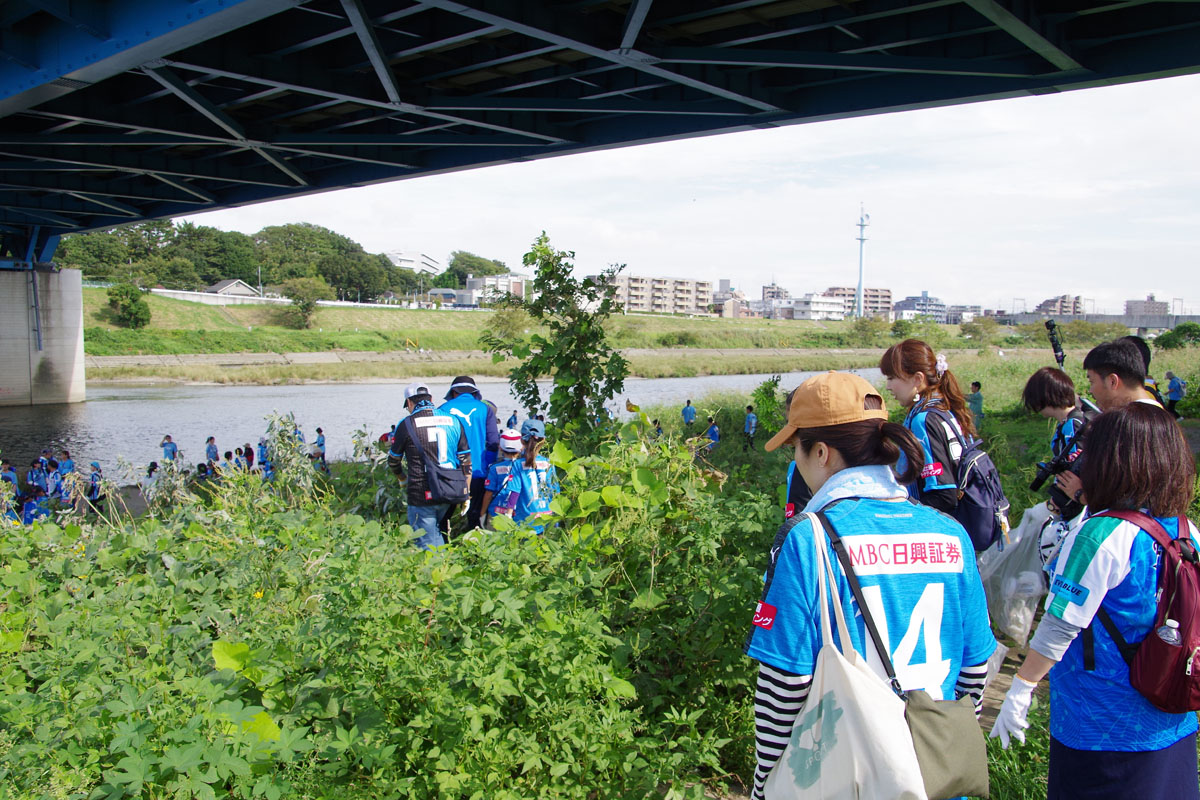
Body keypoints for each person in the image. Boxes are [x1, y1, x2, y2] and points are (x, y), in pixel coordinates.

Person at [745, 371, 995, 800]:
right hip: (933, 776)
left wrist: (765, 784)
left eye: (797, 450)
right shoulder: (950, 534)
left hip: (846, 778)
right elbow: (975, 670)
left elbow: (784, 687)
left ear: (820, 451)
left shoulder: (810, 538)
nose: (798, 465)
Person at [991, 403, 1200, 800]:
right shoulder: (1187, 529)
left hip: (1099, 723)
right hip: (1172, 712)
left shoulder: (1098, 534)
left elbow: (1058, 625)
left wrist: (1021, 688)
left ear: (1111, 460)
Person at [880, 338, 976, 514]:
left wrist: (906, 518)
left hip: (945, 528)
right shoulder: (946, 408)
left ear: (917, 379)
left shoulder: (923, 420)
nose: (888, 386)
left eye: (892, 378)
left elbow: (943, 494)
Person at [389, 383, 471, 550]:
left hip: (421, 491)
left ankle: (441, 572)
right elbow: (466, 460)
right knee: (437, 533)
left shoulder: (406, 424)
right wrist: (466, 493)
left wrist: (402, 479)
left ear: (409, 403)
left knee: (427, 543)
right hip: (450, 489)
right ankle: (447, 566)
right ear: (431, 399)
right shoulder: (453, 420)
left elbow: (393, 461)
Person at [439, 375, 499, 532]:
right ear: (474, 393)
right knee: (474, 515)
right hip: (477, 472)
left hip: (449, 472)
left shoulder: (443, 409)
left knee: (444, 516)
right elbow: (493, 442)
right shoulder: (484, 409)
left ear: (453, 393)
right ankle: (476, 549)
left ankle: (443, 548)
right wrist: (487, 465)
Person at [493, 419, 559, 534]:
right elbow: (555, 491)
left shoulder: (518, 464)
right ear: (543, 441)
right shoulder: (549, 463)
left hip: (525, 520)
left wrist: (508, 514)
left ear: (521, 440)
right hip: (548, 519)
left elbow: (515, 491)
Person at [481, 428, 523, 528]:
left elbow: (489, 493)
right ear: (521, 447)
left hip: (496, 513)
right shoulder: (524, 467)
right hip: (517, 513)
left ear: (500, 447)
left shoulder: (494, 468)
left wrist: (482, 514)